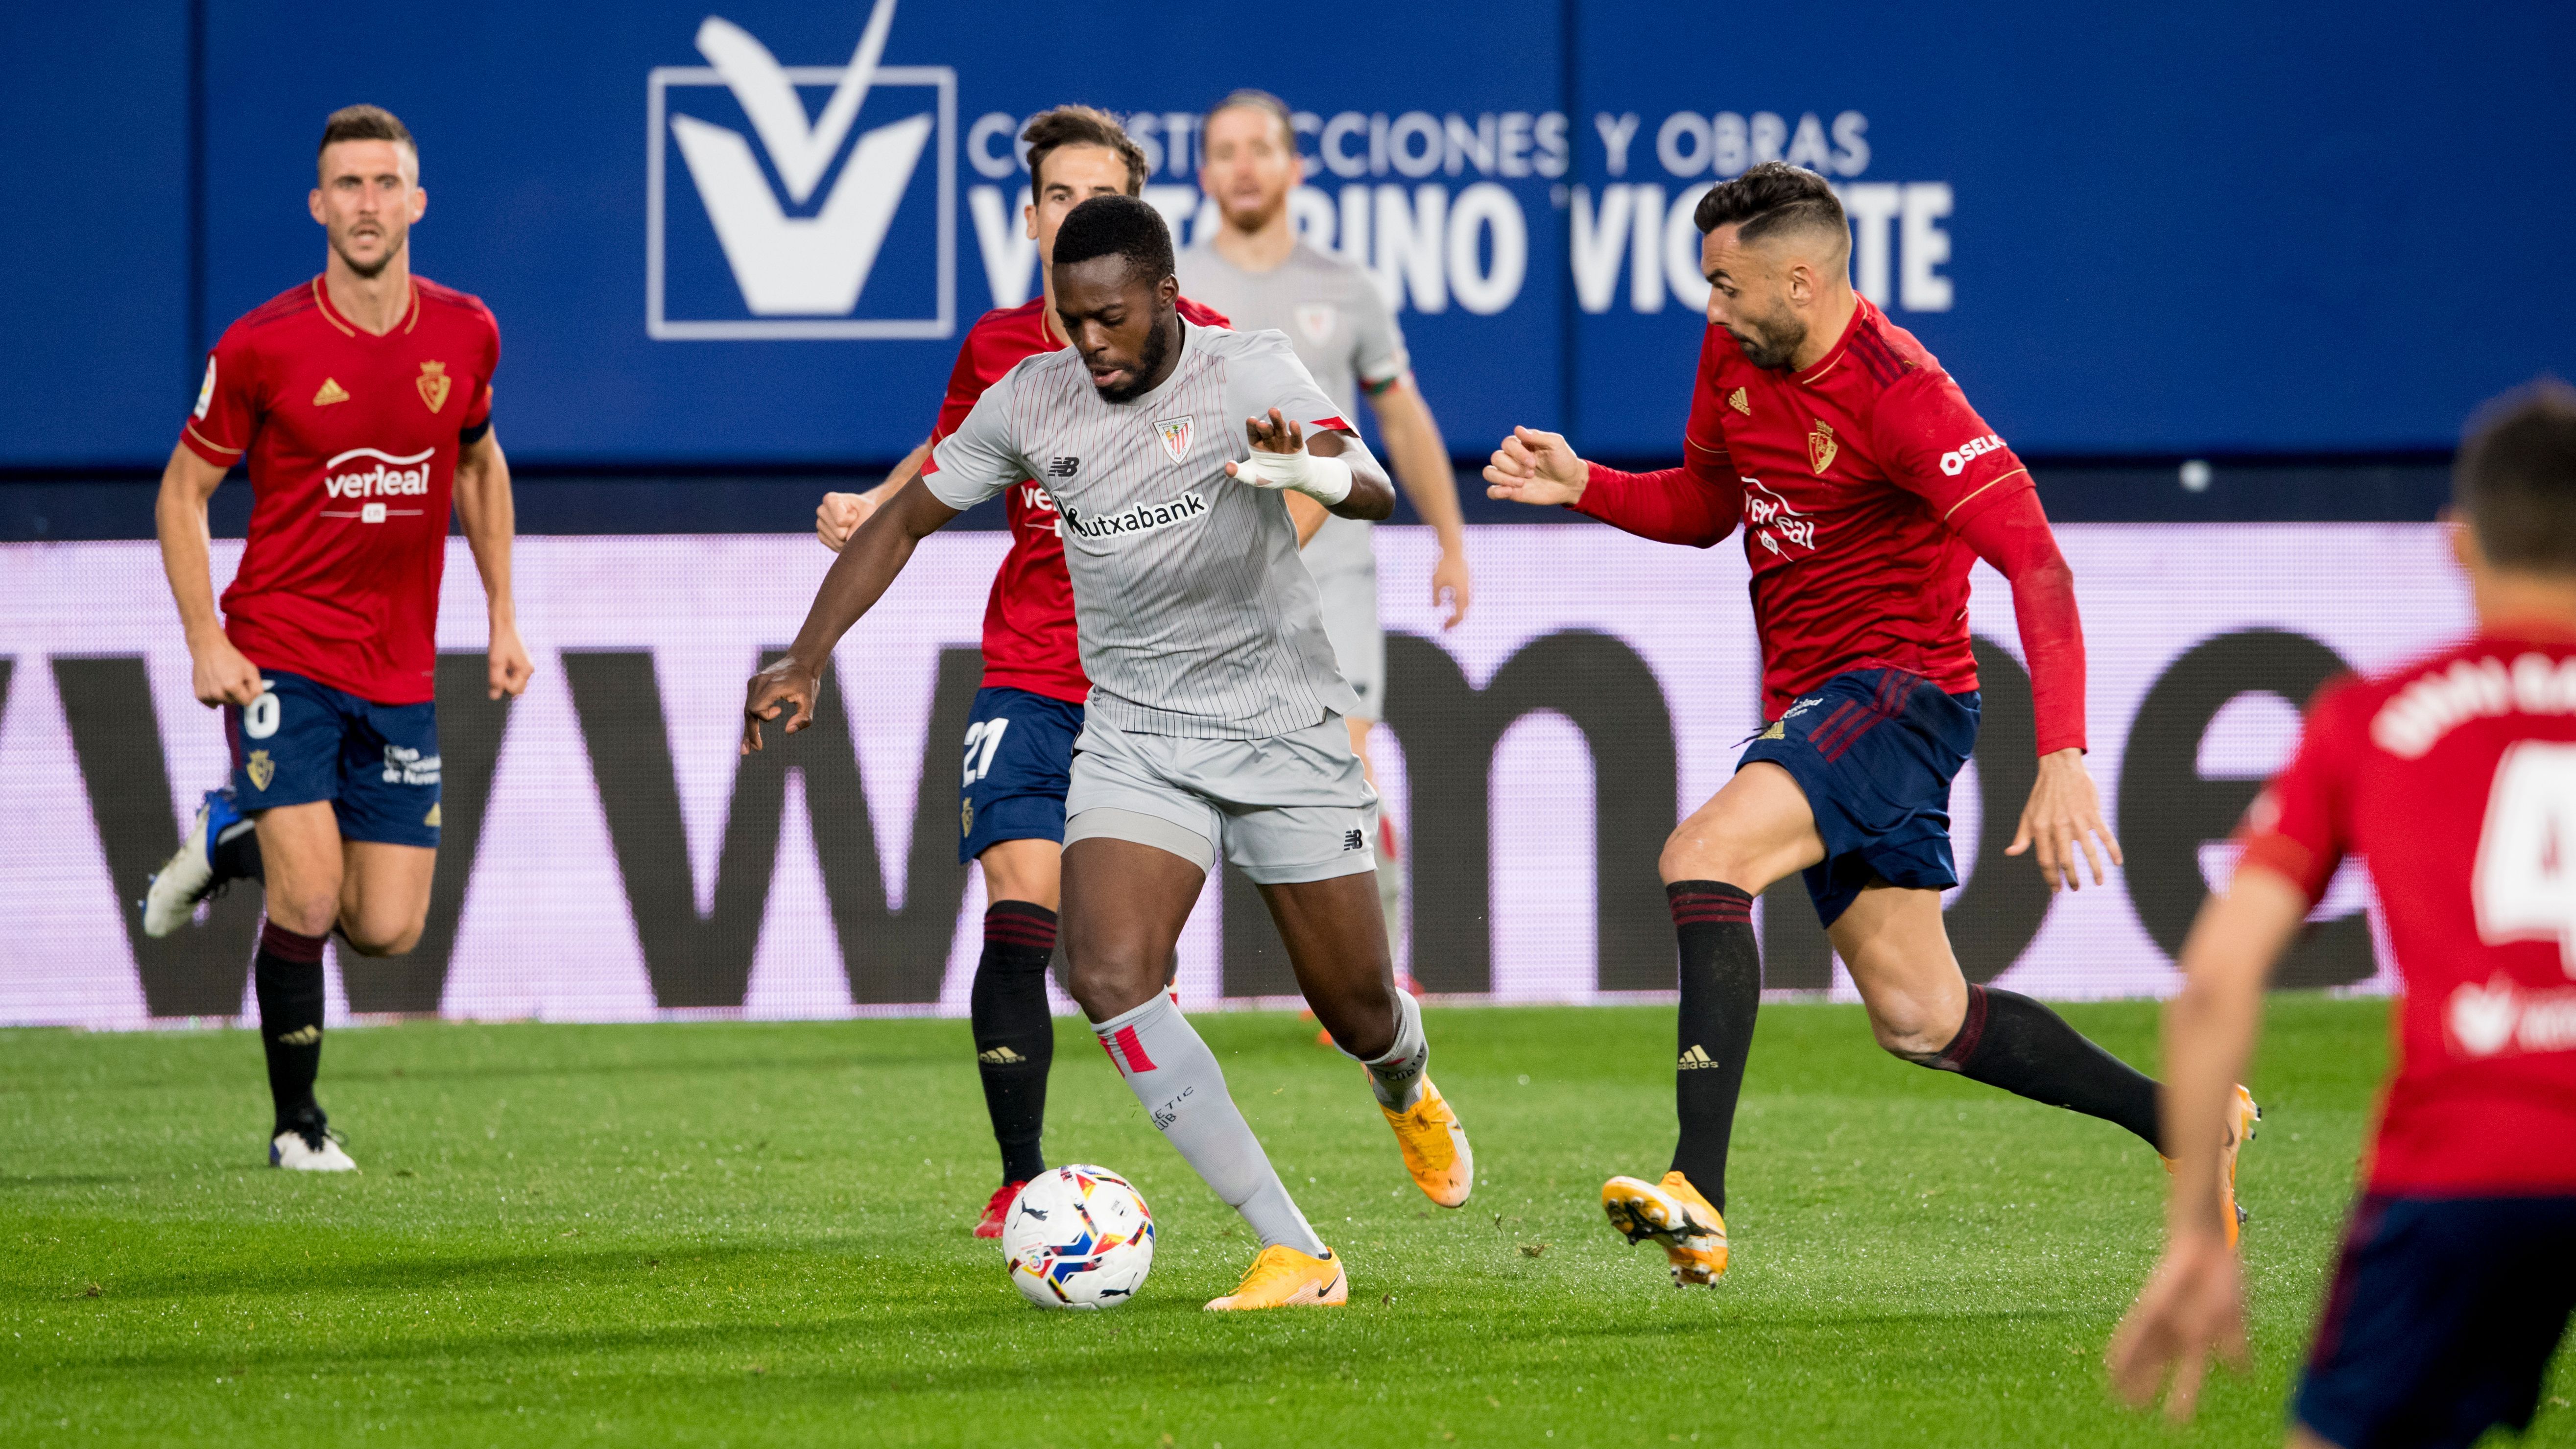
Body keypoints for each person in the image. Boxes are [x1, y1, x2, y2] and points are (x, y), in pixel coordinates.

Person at [1484, 161, 2254, 1287]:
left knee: (1702, 859)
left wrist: (2063, 753)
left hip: (1896, 693)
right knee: (1921, 1017)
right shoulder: (1738, 350)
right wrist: (1586, 482)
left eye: (1726, 285)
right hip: (1812, 698)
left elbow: (2035, 564)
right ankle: (2184, 1120)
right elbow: (1710, 505)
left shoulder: (1901, 394)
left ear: (1800, 281)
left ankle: (1695, 1190)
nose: (1710, 308)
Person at [747, 195, 1472, 1309]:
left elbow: (1368, 484)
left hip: (1277, 726)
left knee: (1355, 1006)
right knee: (1105, 973)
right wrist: (805, 654)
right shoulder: (1032, 400)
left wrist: (1305, 469)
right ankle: (1296, 1250)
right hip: (1135, 732)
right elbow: (900, 519)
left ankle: (1403, 1078)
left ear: (1167, 301)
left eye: (1111, 319)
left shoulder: (1246, 371)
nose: (1088, 343)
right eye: (1071, 318)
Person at [2108, 383, 2576, 1448]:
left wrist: (2193, 1235)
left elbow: (2218, 980)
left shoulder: (2371, 719)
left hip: (2462, 1164)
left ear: (2458, 547)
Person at [813, 107, 1231, 1238]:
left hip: (1155, 686)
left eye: (1094, 197)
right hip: (1032, 671)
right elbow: (950, 457)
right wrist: (872, 503)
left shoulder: (1208, 342)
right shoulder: (999, 346)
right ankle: (1019, 1178)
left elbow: (1280, 473)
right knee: (1017, 901)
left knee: (1122, 955)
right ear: (1029, 214)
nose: (1070, 215)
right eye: (1054, 197)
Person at [143, 105, 530, 1170]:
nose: (366, 204)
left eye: (383, 183)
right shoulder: (262, 344)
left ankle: (234, 834)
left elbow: (476, 462)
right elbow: (183, 495)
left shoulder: (465, 332)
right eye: (346, 186)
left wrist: (500, 614)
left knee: (387, 927)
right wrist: (204, 637)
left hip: (400, 669)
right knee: (308, 895)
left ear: (416, 201)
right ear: (319, 206)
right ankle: (296, 1124)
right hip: (283, 650)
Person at [1178, 89, 1475, 957]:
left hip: (1331, 565)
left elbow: (1401, 415)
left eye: (1259, 148)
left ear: (1293, 166)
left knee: (1339, 763)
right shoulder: (1179, 290)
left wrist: (1450, 540)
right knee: (1179, 771)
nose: (1241, 165)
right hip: (1208, 565)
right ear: (1203, 173)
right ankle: (1150, 972)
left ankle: (1373, 970)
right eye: (1224, 150)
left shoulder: (1345, 287)